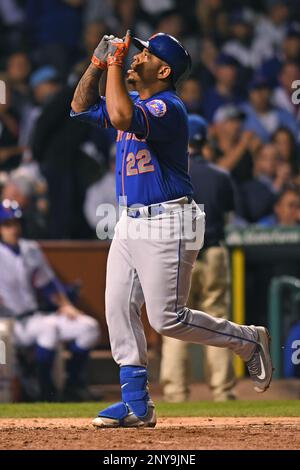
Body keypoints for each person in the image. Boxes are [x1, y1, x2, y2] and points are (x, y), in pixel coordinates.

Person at [70, 30, 273, 428]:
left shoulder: (169, 106)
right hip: (130, 220)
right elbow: (79, 108)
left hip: (169, 219)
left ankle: (248, 340)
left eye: (143, 53)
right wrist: (96, 64)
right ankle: (136, 404)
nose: (134, 56)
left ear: (163, 70)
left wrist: (113, 65)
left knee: (167, 319)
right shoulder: (132, 102)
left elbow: (123, 116)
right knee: (117, 307)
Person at [160, 115, 236, 402]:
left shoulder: (168, 173)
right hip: (213, 250)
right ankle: (222, 391)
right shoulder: (220, 175)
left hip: (178, 253)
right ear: (205, 141)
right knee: (216, 319)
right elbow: (228, 215)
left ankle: (176, 392)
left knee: (174, 322)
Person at [0, 200, 100, 401]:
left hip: (33, 317)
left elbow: (47, 285)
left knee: (89, 327)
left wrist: (66, 305)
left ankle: (73, 384)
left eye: (17, 223)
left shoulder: (30, 248)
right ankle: (46, 390)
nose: (14, 228)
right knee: (48, 329)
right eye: (7, 224)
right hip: (7, 322)